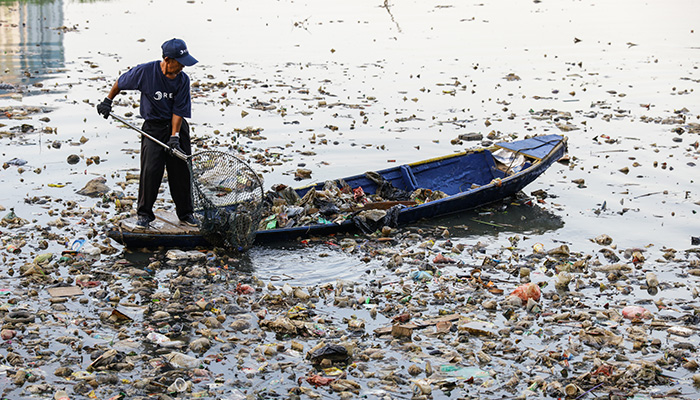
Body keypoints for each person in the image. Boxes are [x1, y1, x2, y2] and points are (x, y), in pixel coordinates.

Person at [96, 38, 199, 229]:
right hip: (153, 127)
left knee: (181, 171)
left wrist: (175, 137)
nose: (182, 68)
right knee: (151, 170)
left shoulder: (183, 80)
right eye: (179, 63)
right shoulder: (146, 72)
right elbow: (121, 82)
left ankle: (186, 213)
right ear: (167, 60)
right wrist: (108, 100)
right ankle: (144, 214)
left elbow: (178, 111)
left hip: (176, 127)